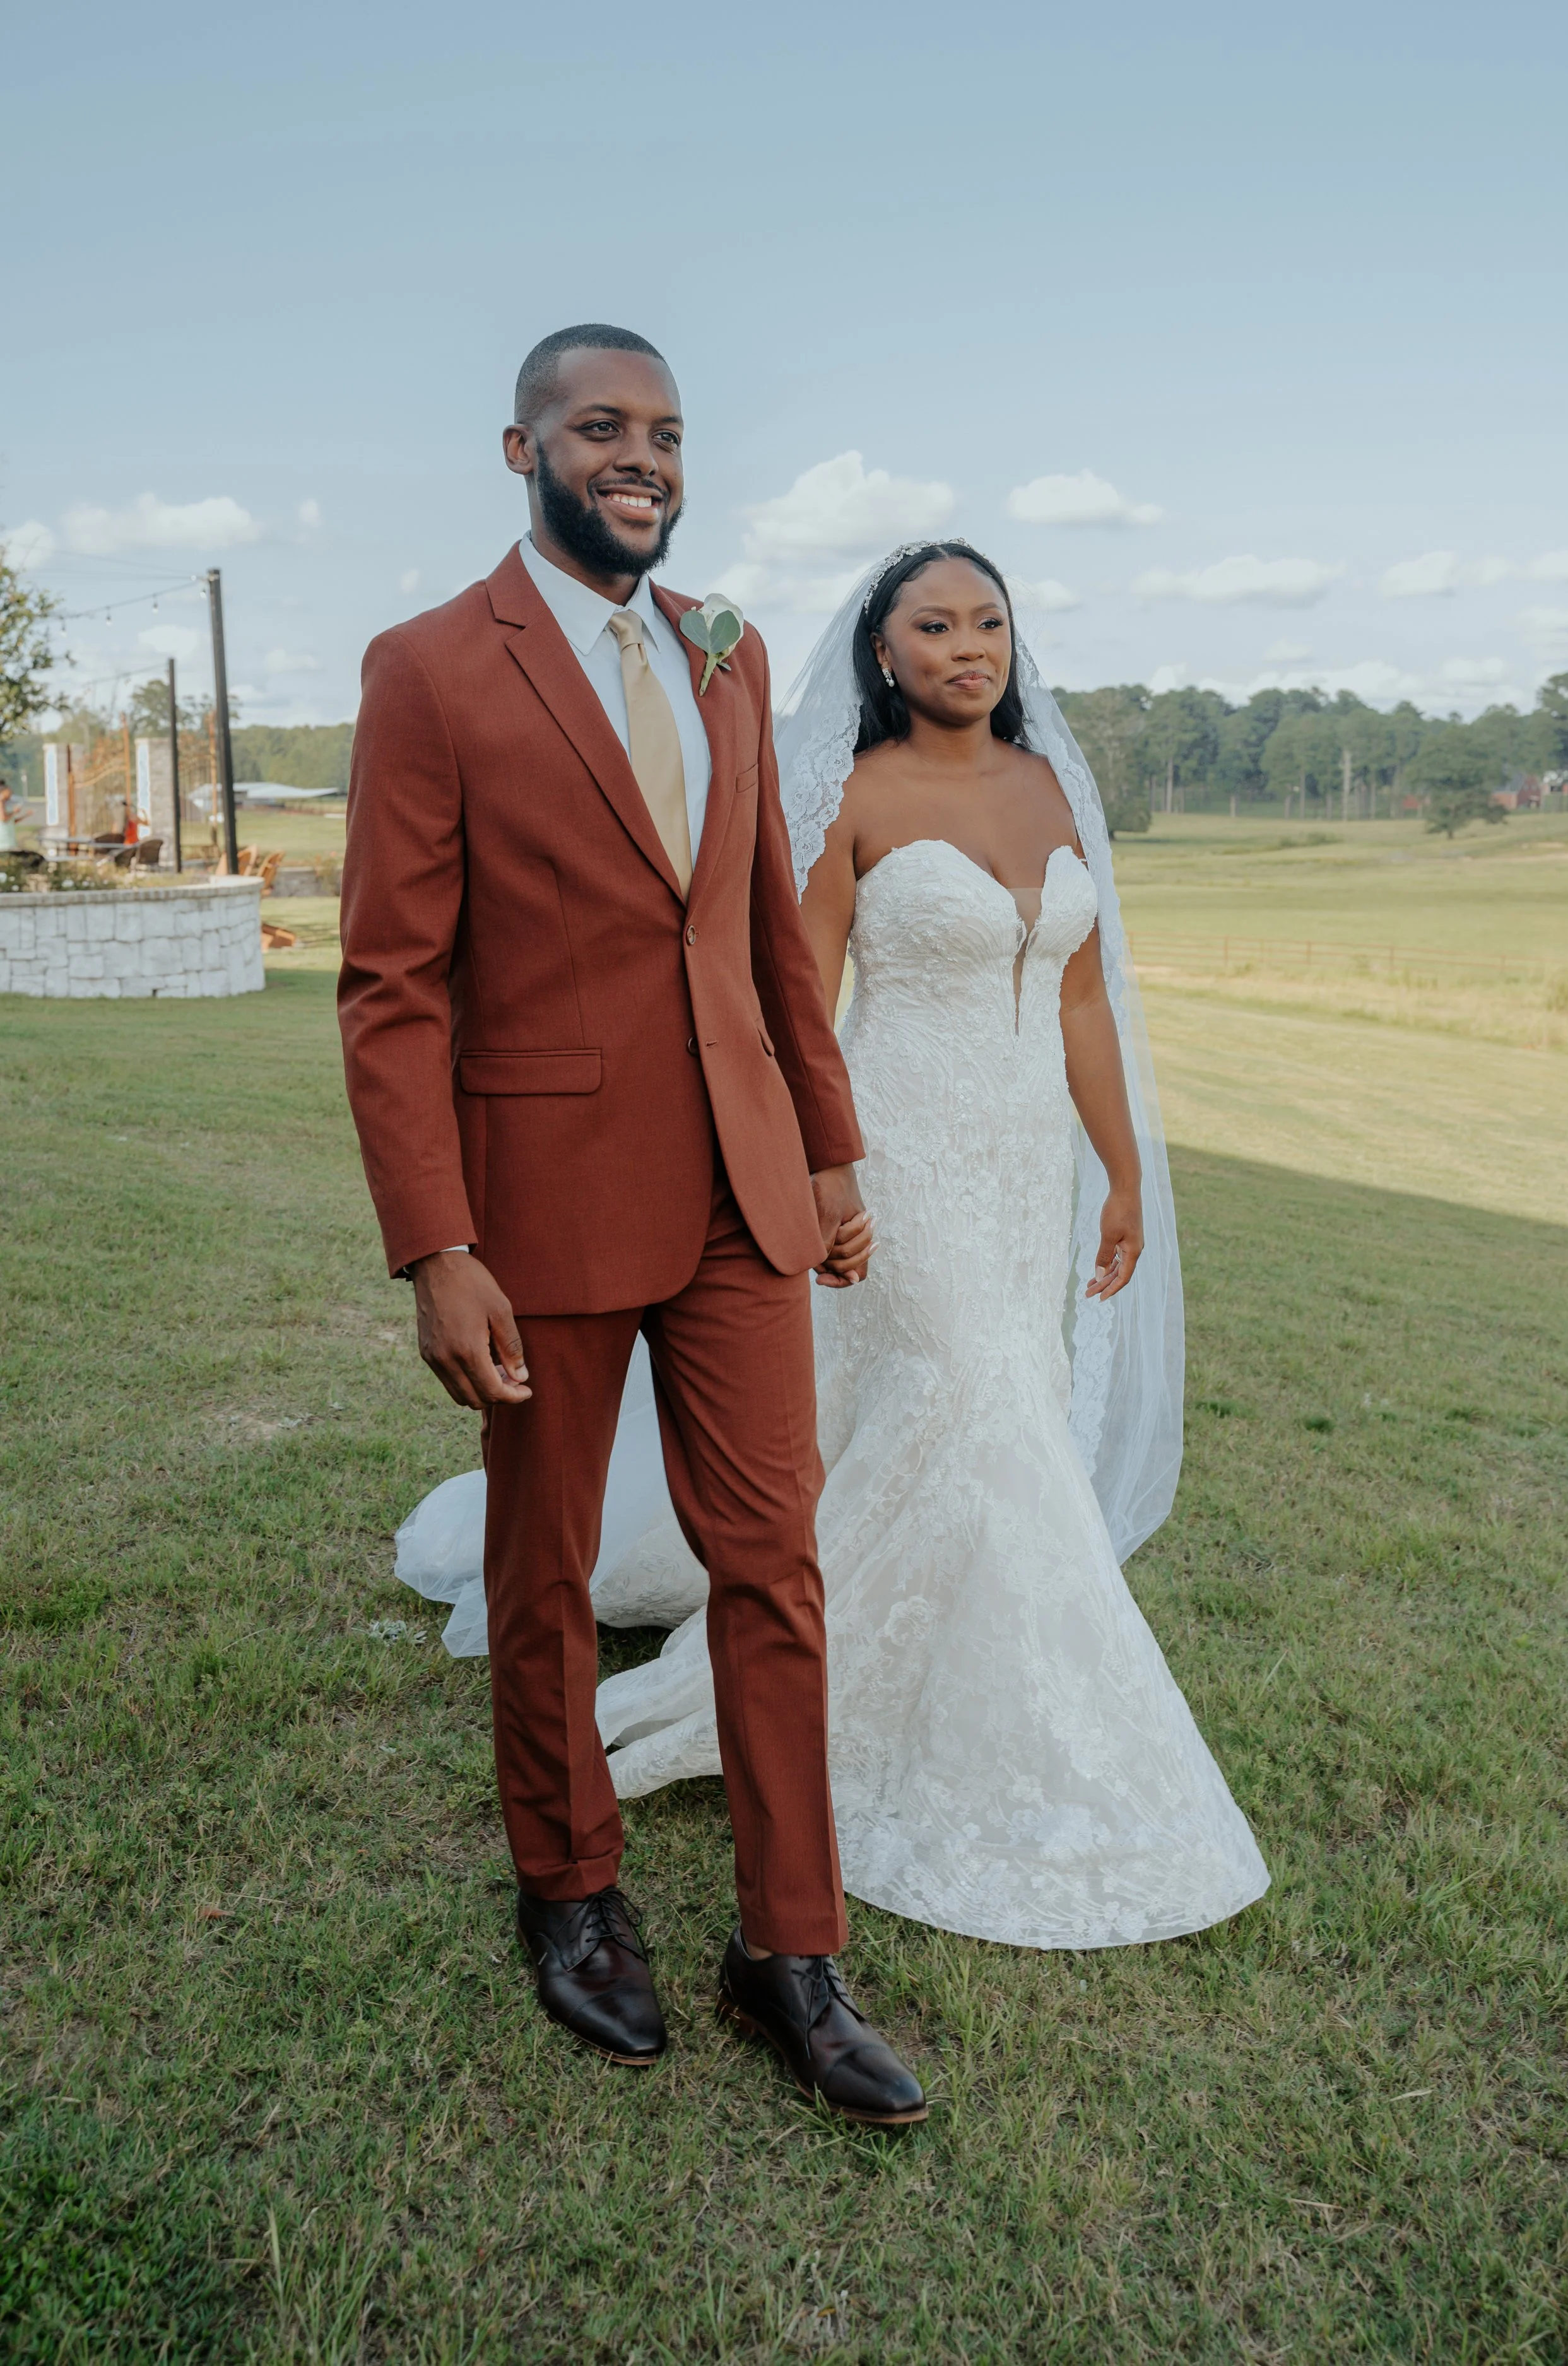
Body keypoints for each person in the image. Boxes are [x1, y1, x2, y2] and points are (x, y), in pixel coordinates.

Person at [339, 324, 926, 2126]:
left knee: (776, 1560)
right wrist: (438, 1241)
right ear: (517, 444)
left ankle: (788, 1947)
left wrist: (827, 1149)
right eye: (602, 426)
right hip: (542, 1209)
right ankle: (571, 1888)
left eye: (665, 431)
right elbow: (389, 983)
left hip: (745, 1195)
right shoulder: (432, 665)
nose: (641, 457)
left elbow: (762, 930)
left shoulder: (722, 653)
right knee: (549, 1569)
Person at [578, 542, 1270, 1948]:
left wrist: (1122, 1173)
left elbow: (1080, 1007)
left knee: (968, 1413)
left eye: (990, 622)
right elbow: (796, 1000)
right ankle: (1009, 1731)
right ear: (880, 653)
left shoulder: (1052, 787)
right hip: (895, 1146)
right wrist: (821, 1172)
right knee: (978, 1406)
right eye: (934, 624)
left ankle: (908, 1667)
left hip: (1024, 1164)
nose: (970, 646)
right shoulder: (852, 791)